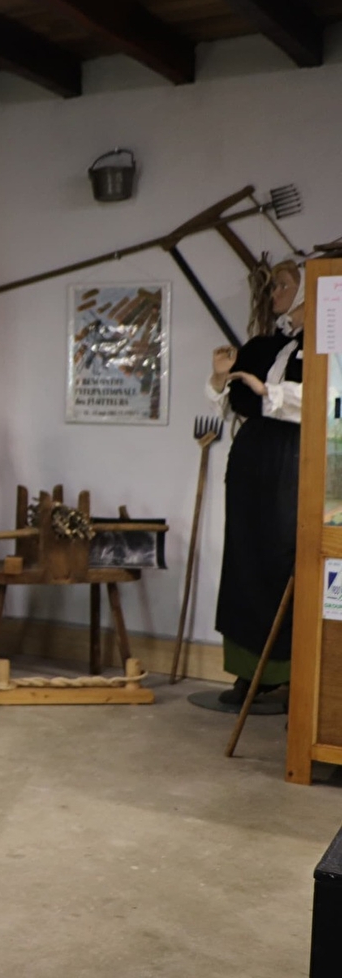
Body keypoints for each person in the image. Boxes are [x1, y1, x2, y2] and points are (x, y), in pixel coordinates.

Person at [207, 260, 305, 706]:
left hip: (296, 456)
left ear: (307, 291)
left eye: (284, 284)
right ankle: (251, 671)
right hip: (252, 457)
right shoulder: (264, 345)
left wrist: (270, 393)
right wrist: (221, 375)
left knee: (285, 556)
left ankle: (291, 672)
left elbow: (327, 399)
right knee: (244, 554)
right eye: (273, 285)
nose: (274, 292)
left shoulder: (327, 345)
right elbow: (229, 403)